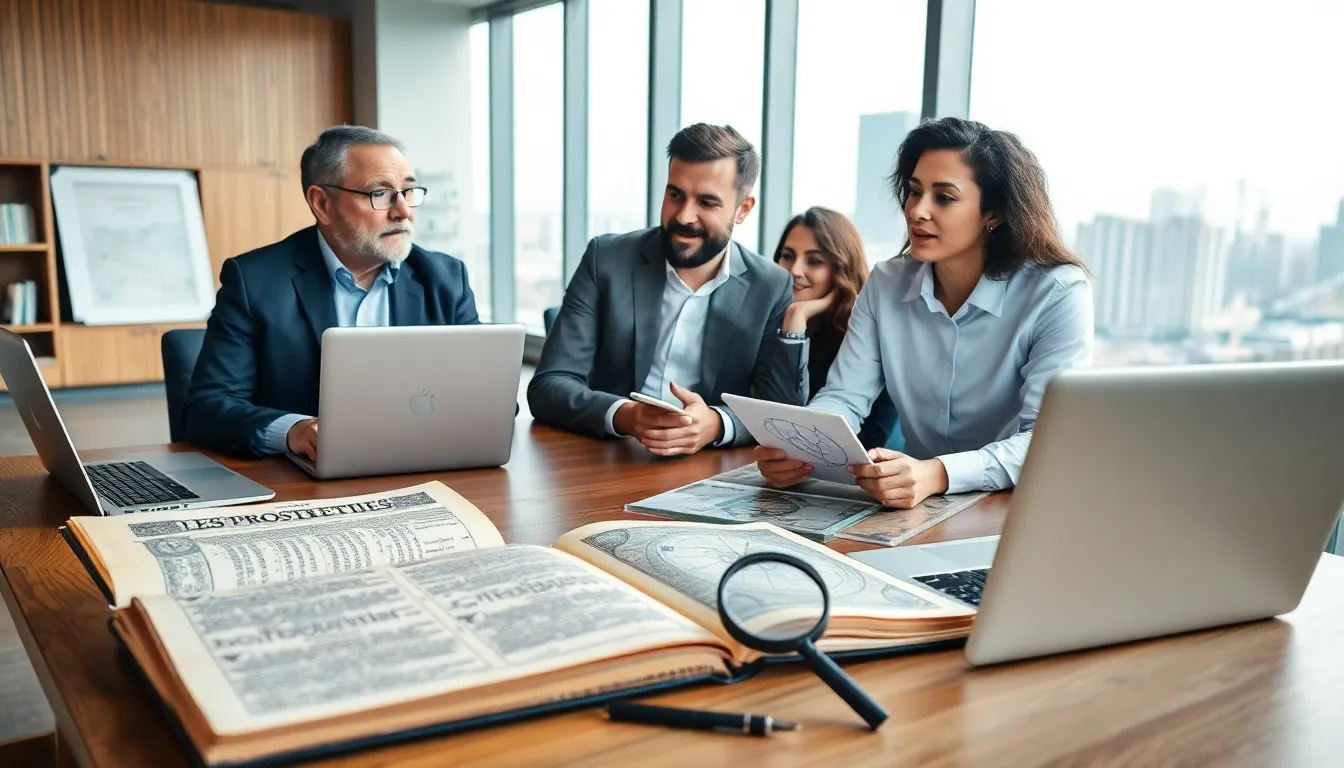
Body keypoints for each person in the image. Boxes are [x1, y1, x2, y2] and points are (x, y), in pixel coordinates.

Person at [757, 117, 1094, 508]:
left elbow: (1046, 440)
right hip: (916, 507)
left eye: (944, 197)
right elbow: (845, 397)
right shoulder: (886, 283)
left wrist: (937, 472)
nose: (917, 210)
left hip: (1018, 507)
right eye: (914, 192)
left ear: (994, 213)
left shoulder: (1056, 292)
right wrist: (800, 448)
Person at [183, 125, 481, 460]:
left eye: (408, 192)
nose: (404, 212)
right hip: (305, 484)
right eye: (380, 194)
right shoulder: (255, 281)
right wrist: (293, 431)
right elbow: (207, 409)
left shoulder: (445, 278)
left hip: (424, 464)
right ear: (322, 203)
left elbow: (486, 397)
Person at [528, 123, 805, 455]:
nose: (685, 216)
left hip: (711, 471)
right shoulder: (607, 259)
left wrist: (716, 424)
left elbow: (781, 413)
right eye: (675, 195)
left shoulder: (770, 286)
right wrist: (627, 416)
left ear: (743, 209)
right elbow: (548, 386)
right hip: (609, 459)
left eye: (707, 202)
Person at [771, 206, 898, 449]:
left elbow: (871, 439)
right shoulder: (769, 323)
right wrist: (793, 325)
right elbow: (772, 418)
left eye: (814, 261)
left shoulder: (868, 336)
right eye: (787, 256)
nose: (795, 271)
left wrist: (795, 326)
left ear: (842, 269)